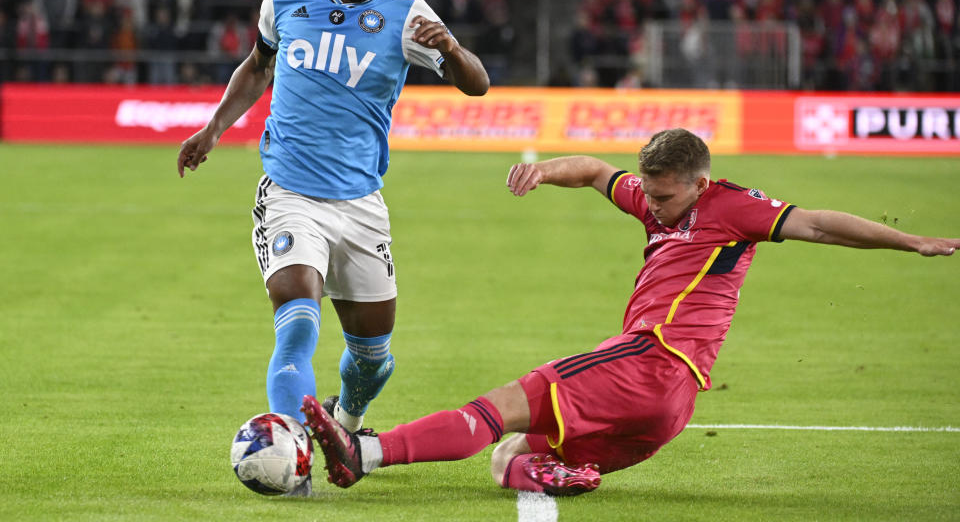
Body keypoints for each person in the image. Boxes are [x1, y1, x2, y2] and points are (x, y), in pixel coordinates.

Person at [301, 128, 959, 496]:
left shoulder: (731, 208)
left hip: (652, 360)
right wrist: (547, 169)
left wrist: (912, 242)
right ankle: (562, 472)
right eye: (648, 191)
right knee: (505, 459)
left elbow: (816, 224)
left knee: (499, 405)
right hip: (668, 410)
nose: (654, 205)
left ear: (701, 183)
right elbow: (594, 172)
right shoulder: (652, 199)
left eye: (667, 196)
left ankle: (365, 453)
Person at [177, 0, 489, 470]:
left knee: (373, 355)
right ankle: (289, 451)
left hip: (361, 204)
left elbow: (477, 84)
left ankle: (343, 426)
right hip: (290, 193)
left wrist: (451, 47)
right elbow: (257, 64)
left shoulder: (409, 15)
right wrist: (214, 128)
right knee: (297, 315)